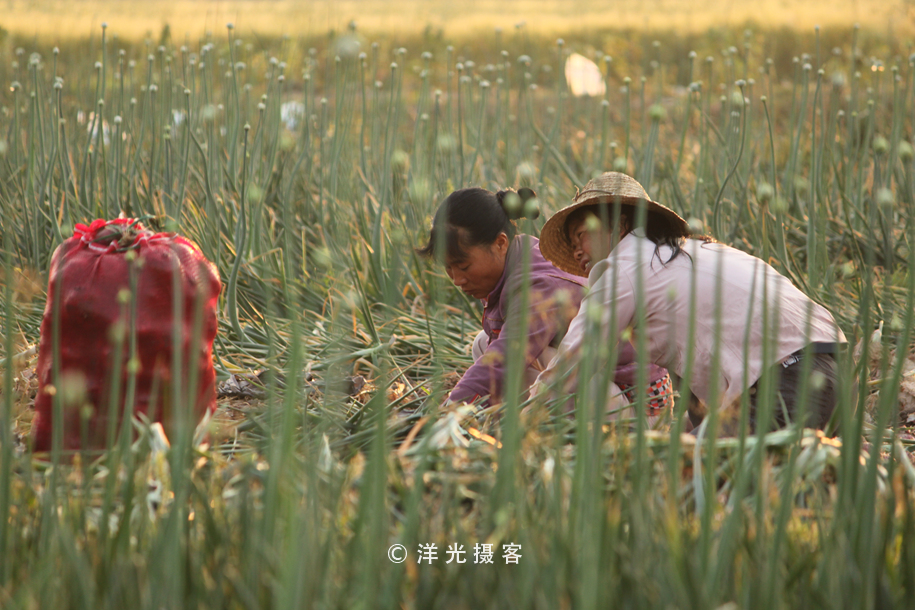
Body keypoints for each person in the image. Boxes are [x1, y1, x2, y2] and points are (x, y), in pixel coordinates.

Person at [535, 171, 847, 432]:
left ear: (618, 225)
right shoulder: (692, 254)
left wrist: (524, 419)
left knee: (684, 480)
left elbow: (575, 358)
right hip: (831, 375)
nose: (577, 250)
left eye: (581, 235)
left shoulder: (625, 268)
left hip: (785, 384)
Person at [417, 186, 674, 418]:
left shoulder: (539, 287)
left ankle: (528, 425)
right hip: (601, 385)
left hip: (636, 402)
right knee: (483, 344)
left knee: (520, 357)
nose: (457, 279)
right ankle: (502, 418)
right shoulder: (523, 253)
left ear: (500, 243)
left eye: (463, 266)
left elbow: (506, 359)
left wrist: (451, 409)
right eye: (449, 268)